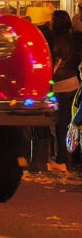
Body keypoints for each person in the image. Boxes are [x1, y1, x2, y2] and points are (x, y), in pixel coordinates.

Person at [42, 10, 82, 169]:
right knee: (70, 124)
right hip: (73, 84)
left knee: (61, 125)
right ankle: (70, 160)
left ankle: (63, 161)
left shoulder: (56, 41)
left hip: (60, 87)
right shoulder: (75, 39)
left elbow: (54, 66)